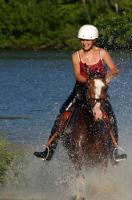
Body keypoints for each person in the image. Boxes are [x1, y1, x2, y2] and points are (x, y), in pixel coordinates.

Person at [34, 24, 119, 161]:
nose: (85, 43)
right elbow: (78, 75)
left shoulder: (102, 53)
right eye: (83, 40)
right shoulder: (76, 56)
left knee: (111, 117)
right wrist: (89, 81)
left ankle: (115, 150)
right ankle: (49, 149)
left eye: (88, 40)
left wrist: (106, 79)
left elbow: (114, 70)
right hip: (80, 92)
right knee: (62, 115)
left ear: (94, 40)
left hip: (98, 93)